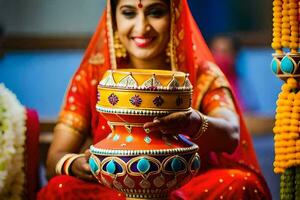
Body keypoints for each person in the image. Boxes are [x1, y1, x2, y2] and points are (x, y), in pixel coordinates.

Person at [38, 0, 271, 199]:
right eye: (129, 13)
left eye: (155, 12)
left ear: (174, 16)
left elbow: (231, 134)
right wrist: (76, 164)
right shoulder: (94, 76)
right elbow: (54, 160)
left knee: (241, 184)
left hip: (189, 184)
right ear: (114, 18)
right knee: (59, 189)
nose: (142, 27)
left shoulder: (200, 73)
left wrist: (192, 122)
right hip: (113, 187)